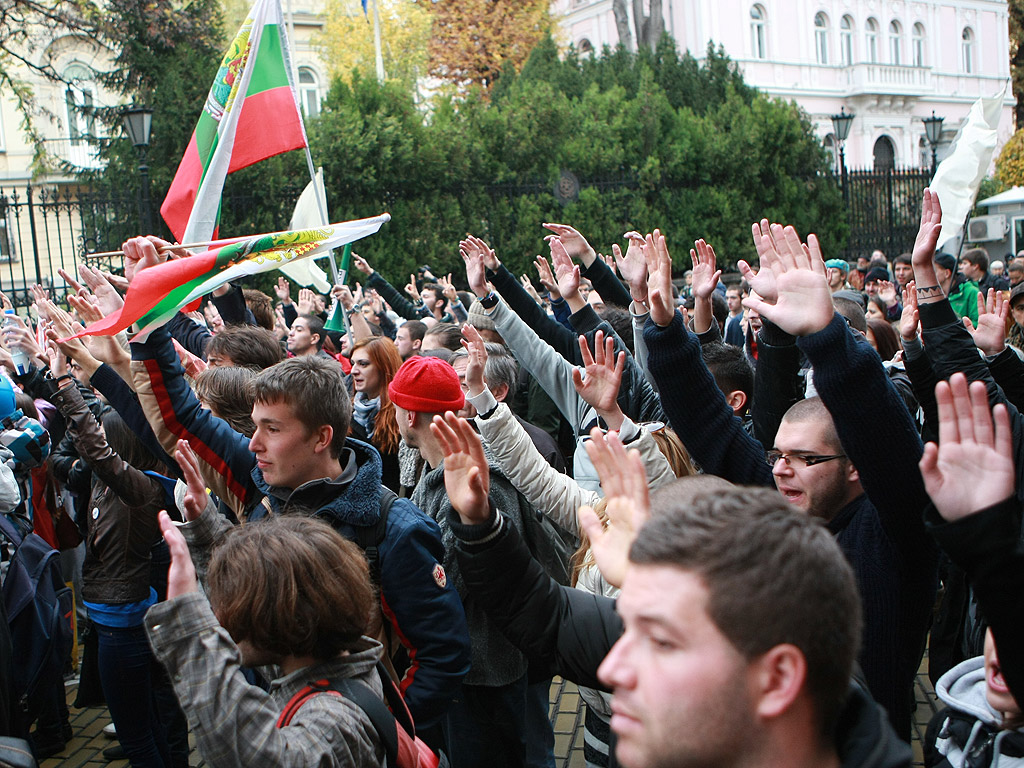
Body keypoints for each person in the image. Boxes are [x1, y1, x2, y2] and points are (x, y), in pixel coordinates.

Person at [122, 236, 471, 747]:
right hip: (277, 729)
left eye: (272, 429)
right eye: (253, 426)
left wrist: (378, 737)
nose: (253, 442)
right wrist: (150, 302)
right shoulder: (260, 475)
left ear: (322, 436)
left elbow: (443, 656)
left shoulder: (393, 530)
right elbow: (182, 417)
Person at [432, 413, 911, 768]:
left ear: (777, 678)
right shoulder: (693, 624)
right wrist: (479, 524)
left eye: (660, 643)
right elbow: (549, 616)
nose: (615, 666)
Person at [388, 354, 544, 768]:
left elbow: (452, 582)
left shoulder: (481, 480)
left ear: (408, 415)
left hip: (485, 673)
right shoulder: (433, 472)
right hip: (460, 671)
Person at [146, 513, 388, 768]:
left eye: (237, 611)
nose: (220, 618)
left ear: (278, 620)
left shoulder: (334, 719)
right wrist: (204, 530)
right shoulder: (332, 658)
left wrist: (189, 628)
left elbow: (259, 756)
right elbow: (270, 576)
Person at [349, 337, 403, 492]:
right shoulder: (348, 411)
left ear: (384, 367)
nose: (354, 370)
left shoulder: (401, 414)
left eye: (363, 364)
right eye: (353, 363)